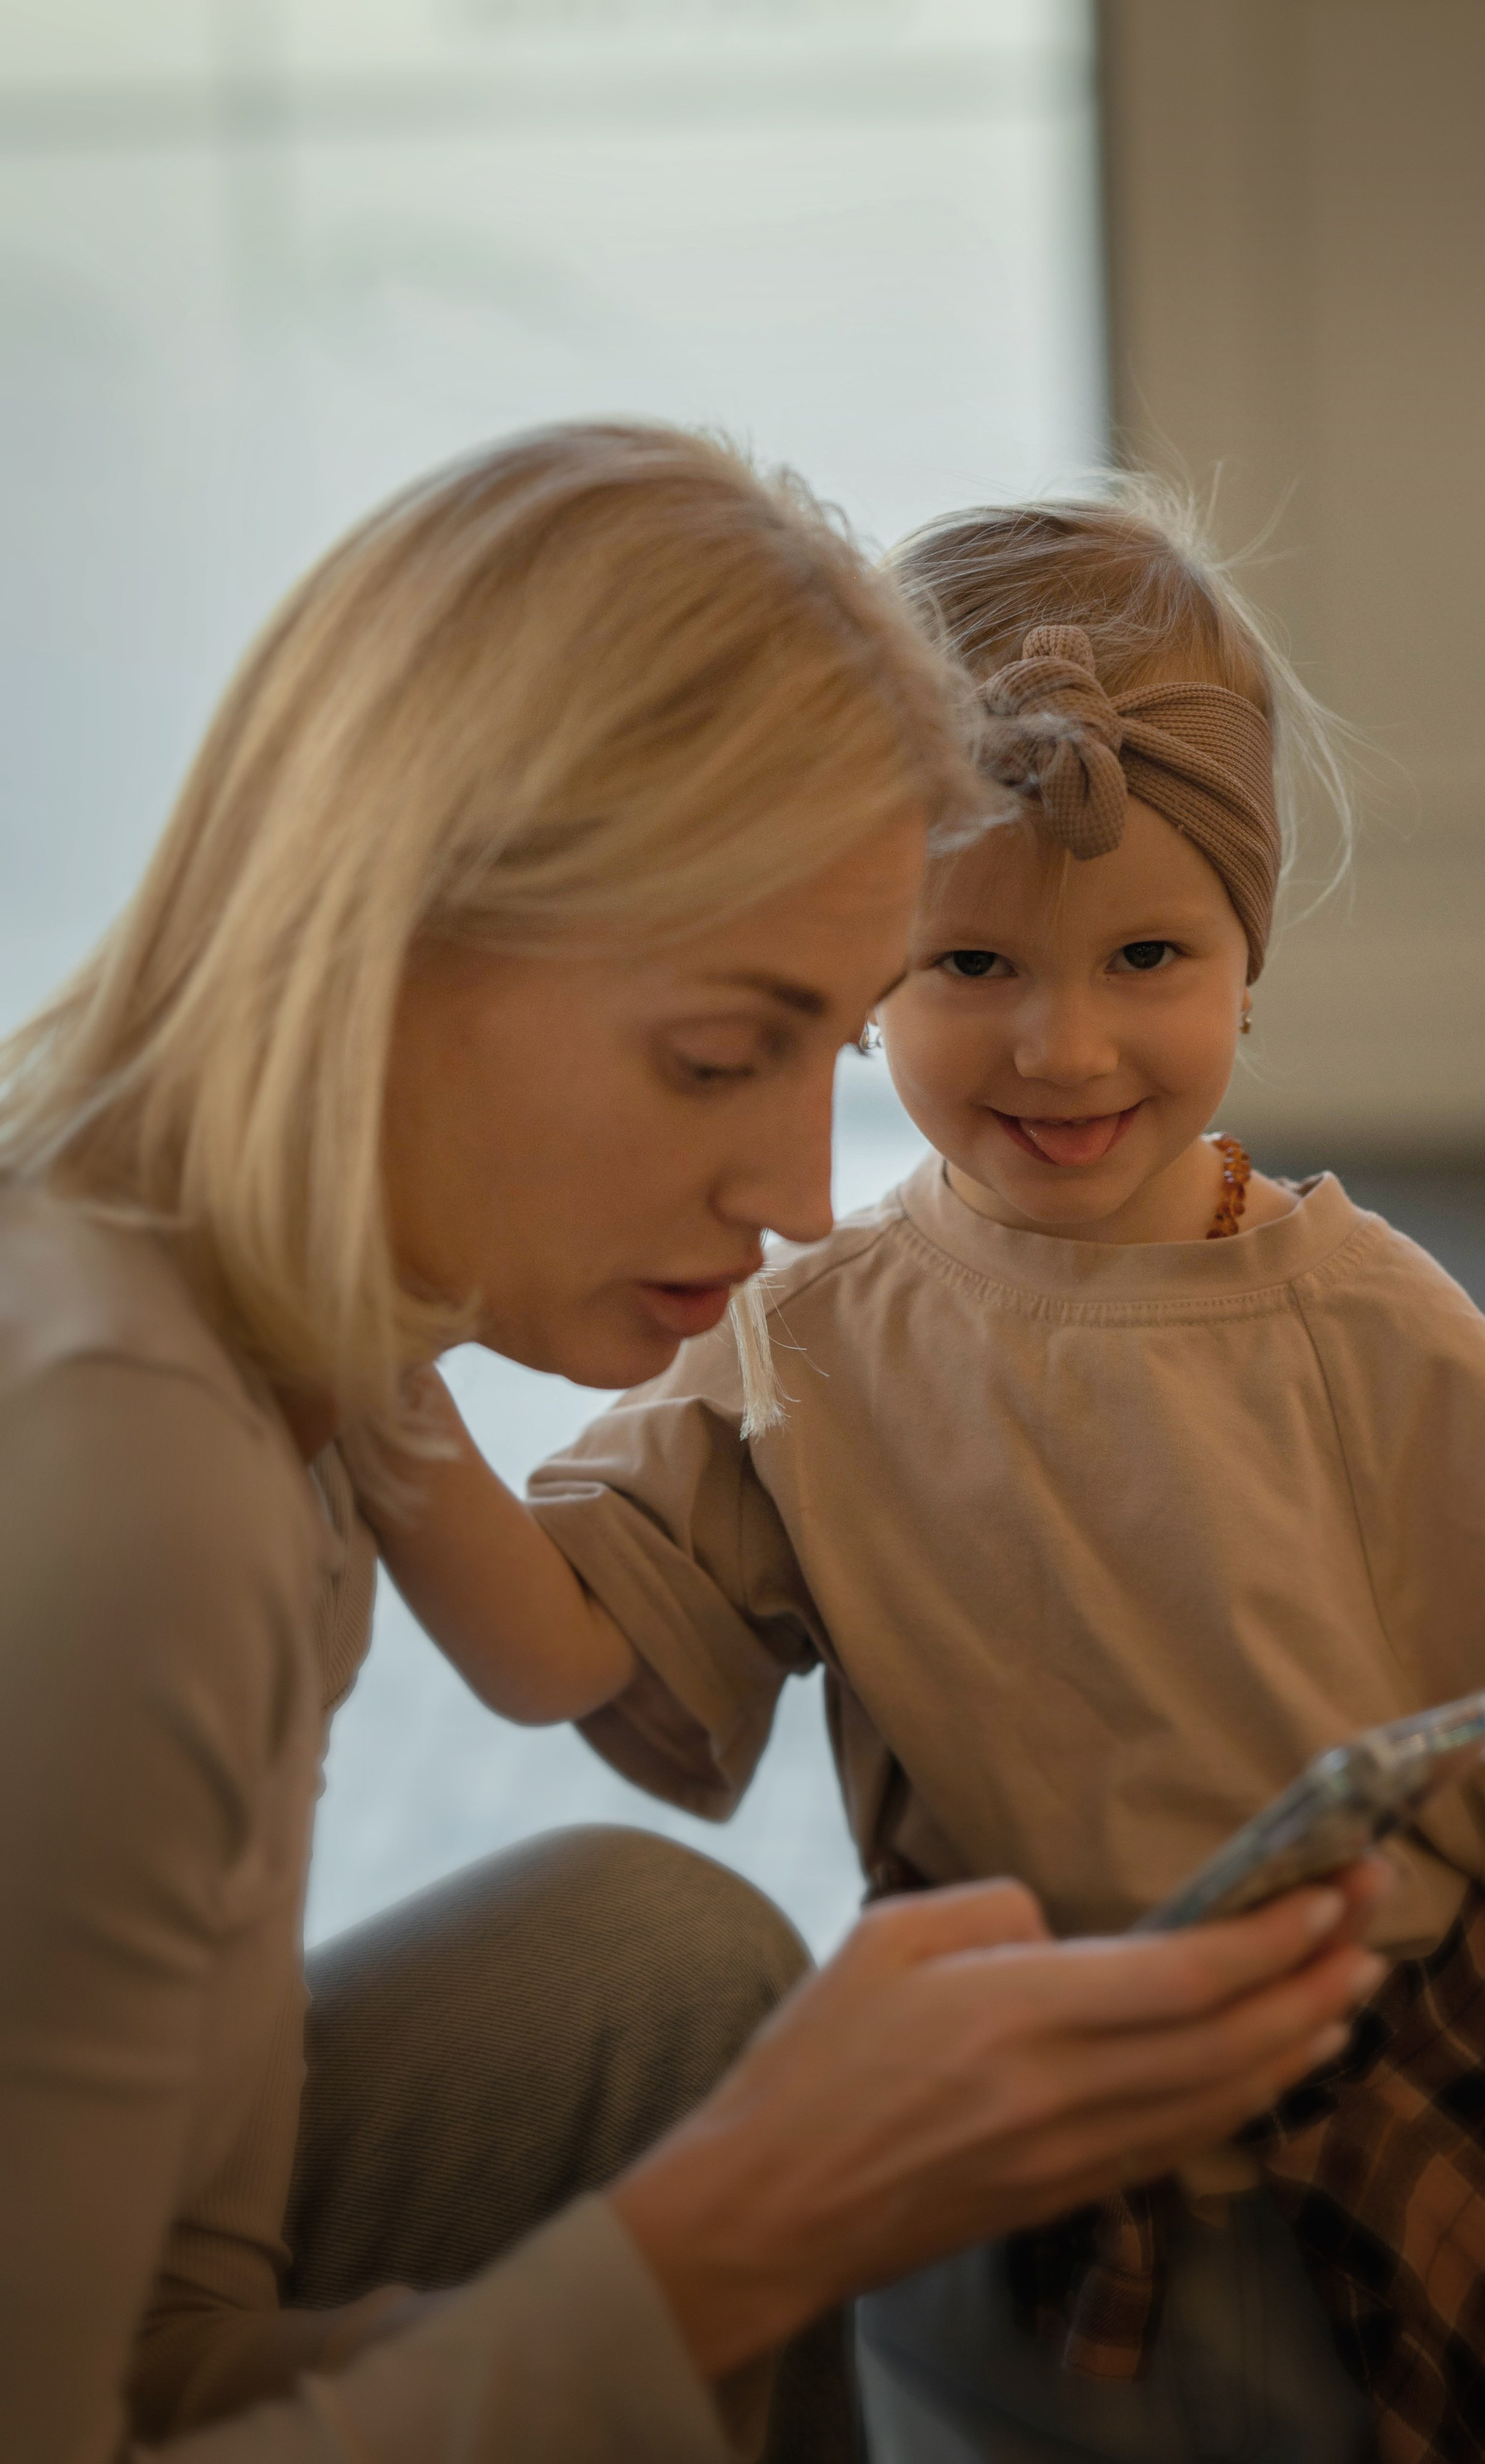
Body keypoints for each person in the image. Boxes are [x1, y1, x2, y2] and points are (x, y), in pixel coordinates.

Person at [355, 491, 1485, 2462]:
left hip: (1406, 2127)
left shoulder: (1359, 1321)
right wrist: (366, 1370)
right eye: (969, 957)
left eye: (1147, 952)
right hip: (1014, 2161)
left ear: (1248, 957)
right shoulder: (804, 1336)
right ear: (856, 970)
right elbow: (561, 1651)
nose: (1062, 1047)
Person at [0, 429, 1396, 2464]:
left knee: (648, 1964)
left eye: (828, 1052)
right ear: (394, 932)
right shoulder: (130, 1479)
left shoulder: (282, 1366)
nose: (798, 1196)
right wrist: (730, 2241)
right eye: (719, 1055)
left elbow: (162, 2327)